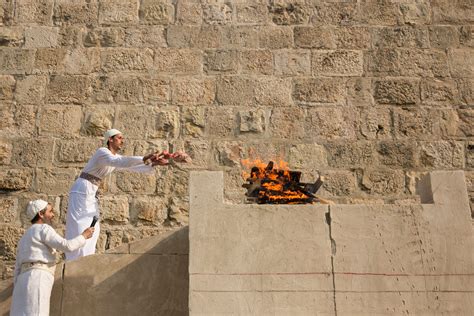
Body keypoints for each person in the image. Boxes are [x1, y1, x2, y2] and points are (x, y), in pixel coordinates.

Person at [64, 129, 188, 261]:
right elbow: (120, 161)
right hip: (81, 191)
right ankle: (74, 260)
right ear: (110, 139)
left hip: (90, 192)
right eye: (119, 138)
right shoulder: (102, 152)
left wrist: (160, 162)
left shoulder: (113, 159)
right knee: (80, 226)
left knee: (93, 228)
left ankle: (85, 260)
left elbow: (130, 166)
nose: (122, 141)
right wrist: (145, 158)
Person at [10, 199, 94, 316]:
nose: (53, 215)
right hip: (38, 277)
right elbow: (67, 246)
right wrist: (84, 236)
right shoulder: (43, 229)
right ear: (41, 214)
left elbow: (17, 269)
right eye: (50, 211)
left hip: (21, 282)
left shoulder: (24, 237)